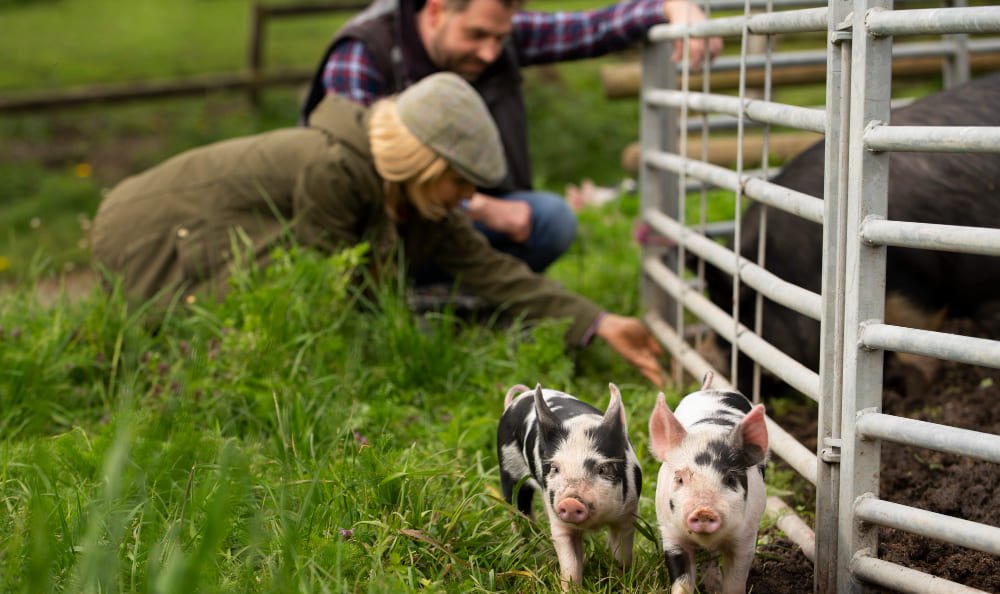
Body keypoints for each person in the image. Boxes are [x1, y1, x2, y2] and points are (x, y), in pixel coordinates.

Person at [91, 73, 666, 385]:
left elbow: (493, 270)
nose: (471, 198)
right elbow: (323, 299)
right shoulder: (333, 169)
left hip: (180, 224)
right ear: (424, 166)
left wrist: (597, 321)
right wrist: (371, 373)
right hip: (148, 232)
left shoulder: (418, 203)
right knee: (275, 297)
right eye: (459, 182)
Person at [300, 0, 723, 281]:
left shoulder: (494, 29)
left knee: (550, 220)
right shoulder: (365, 52)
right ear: (435, 11)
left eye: (499, 38)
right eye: (477, 35)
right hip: (386, 226)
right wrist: (479, 206)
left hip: (461, 217)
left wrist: (671, 6)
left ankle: (469, 305)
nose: (490, 52)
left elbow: (588, 28)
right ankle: (396, 307)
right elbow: (352, 171)